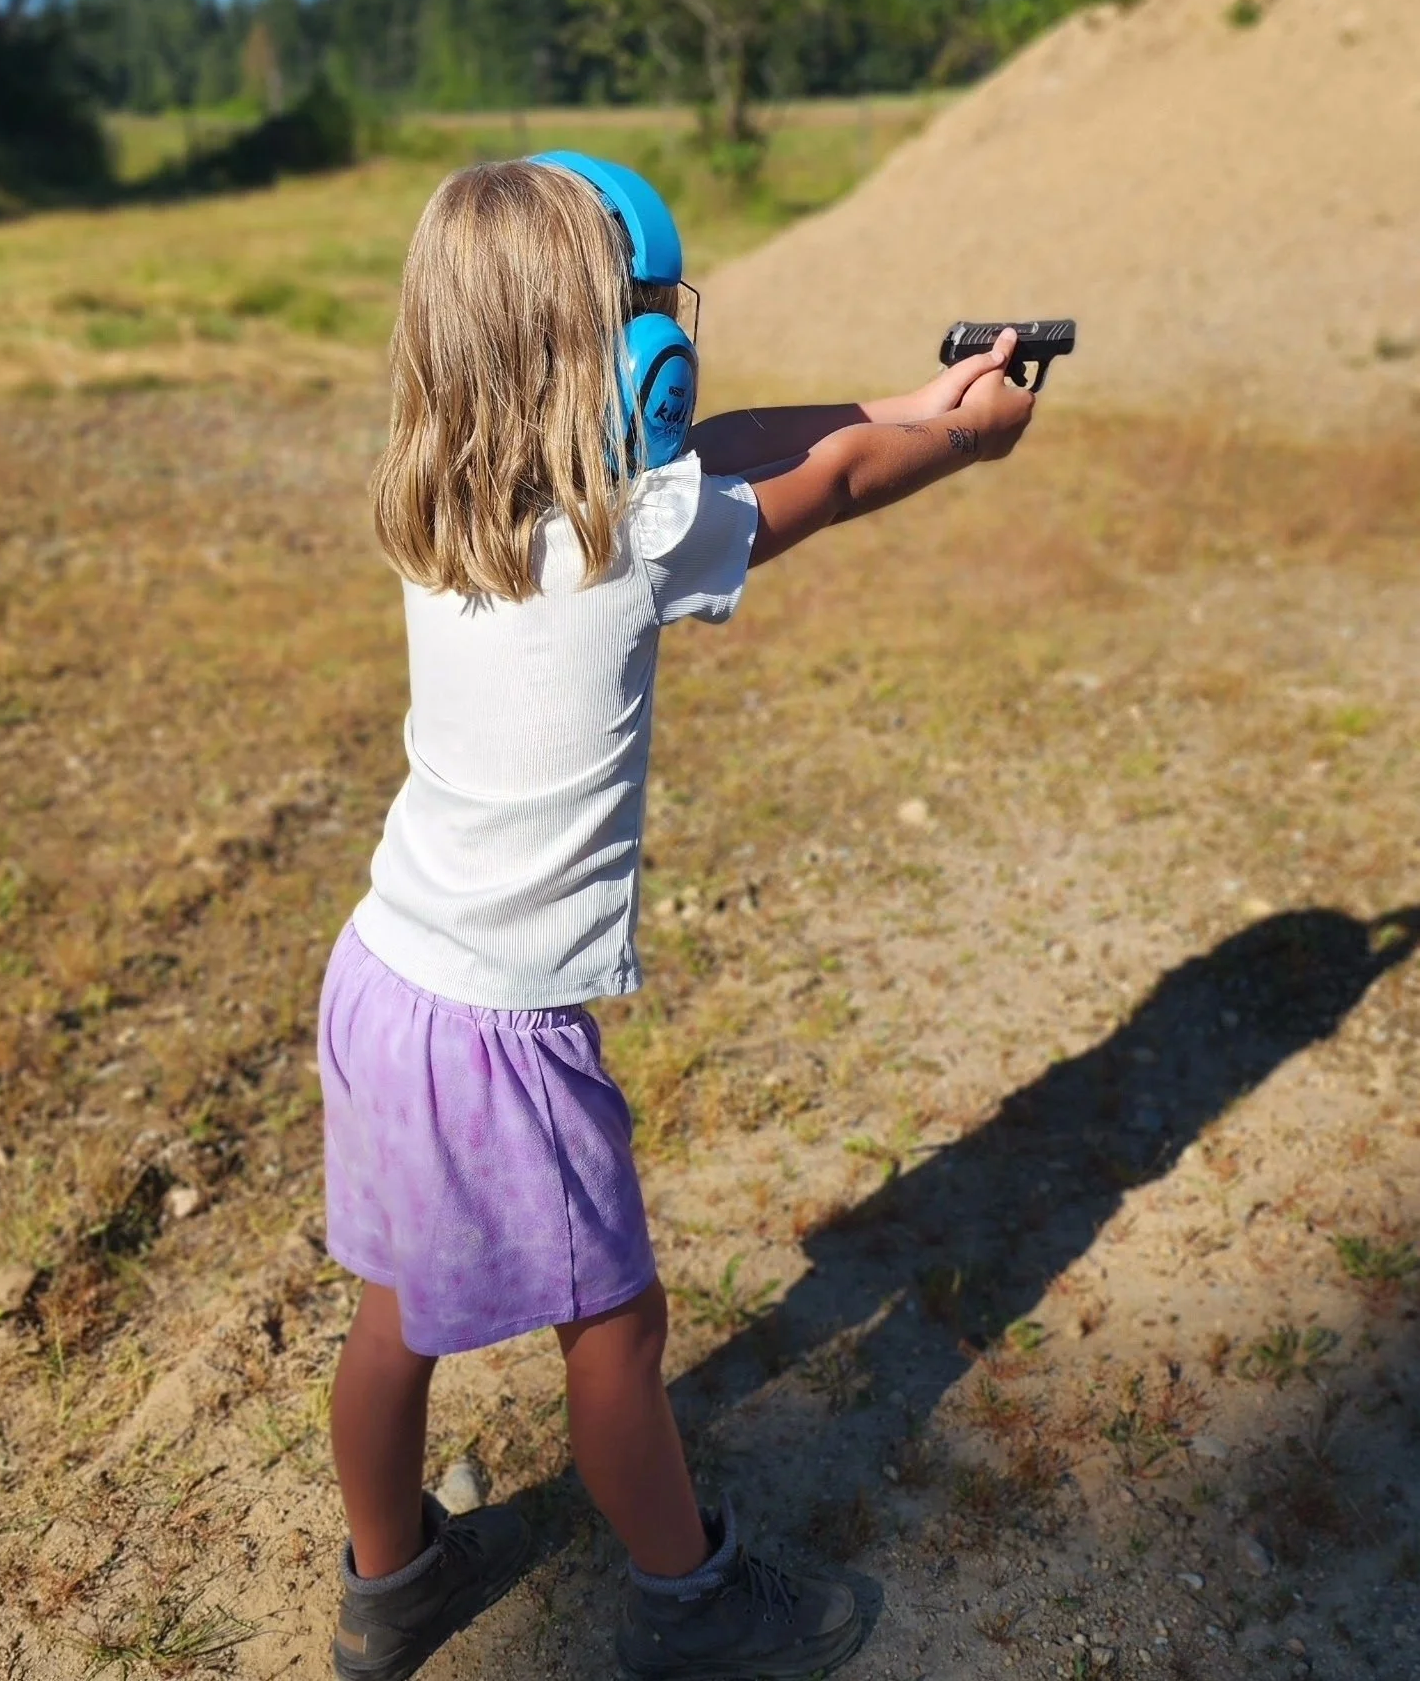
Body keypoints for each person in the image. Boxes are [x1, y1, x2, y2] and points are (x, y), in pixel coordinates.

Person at [319, 153, 1035, 1681]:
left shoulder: (441, 503)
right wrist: (959, 448)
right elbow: (815, 486)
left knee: (398, 1321)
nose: (668, 345)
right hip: (504, 1036)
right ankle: (692, 1606)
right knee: (619, 1344)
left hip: (384, 980)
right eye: (645, 312)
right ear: (610, 354)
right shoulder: (627, 540)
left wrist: (908, 401)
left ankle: (390, 1590)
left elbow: (717, 445)